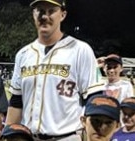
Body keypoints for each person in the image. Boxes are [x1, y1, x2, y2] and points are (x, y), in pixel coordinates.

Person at [5, 0, 99, 140]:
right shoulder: (23, 54)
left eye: (51, 11)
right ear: (33, 14)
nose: (44, 16)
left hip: (67, 137)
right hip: (29, 137)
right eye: (40, 11)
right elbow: (16, 102)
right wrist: (7, 133)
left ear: (62, 14)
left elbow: (94, 99)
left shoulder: (80, 50)